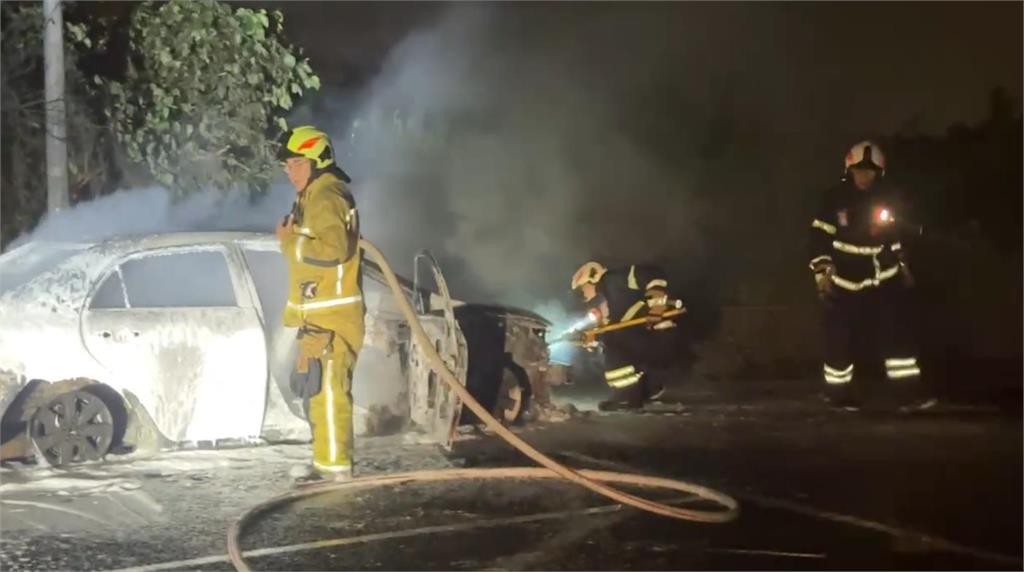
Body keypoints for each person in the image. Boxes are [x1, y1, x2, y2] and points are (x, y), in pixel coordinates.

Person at [808, 140, 931, 411]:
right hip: (844, 280)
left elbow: (895, 237)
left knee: (898, 335)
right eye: (860, 170)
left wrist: (903, 267)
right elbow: (818, 238)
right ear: (849, 169)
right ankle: (837, 396)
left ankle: (907, 394)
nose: (865, 175)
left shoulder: (887, 199)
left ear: (879, 172)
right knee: (838, 339)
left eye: (870, 170)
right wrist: (822, 272)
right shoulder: (833, 199)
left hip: (882, 278)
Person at [276, 125, 365, 481]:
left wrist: (288, 242)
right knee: (317, 391)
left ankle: (334, 472)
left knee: (329, 394)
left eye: (296, 164)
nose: (289, 171)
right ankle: (324, 463)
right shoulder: (314, 195)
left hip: (333, 317)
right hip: (320, 317)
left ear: (317, 161)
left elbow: (332, 249)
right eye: (287, 166)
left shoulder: (326, 194)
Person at [570, 261, 685, 411]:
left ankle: (626, 396)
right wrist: (591, 338)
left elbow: (653, 272)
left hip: (655, 333)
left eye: (581, 289)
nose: (582, 295)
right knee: (612, 340)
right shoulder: (611, 295)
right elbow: (617, 325)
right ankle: (644, 390)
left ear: (592, 278)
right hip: (648, 336)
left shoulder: (614, 279)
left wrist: (656, 302)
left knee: (613, 345)